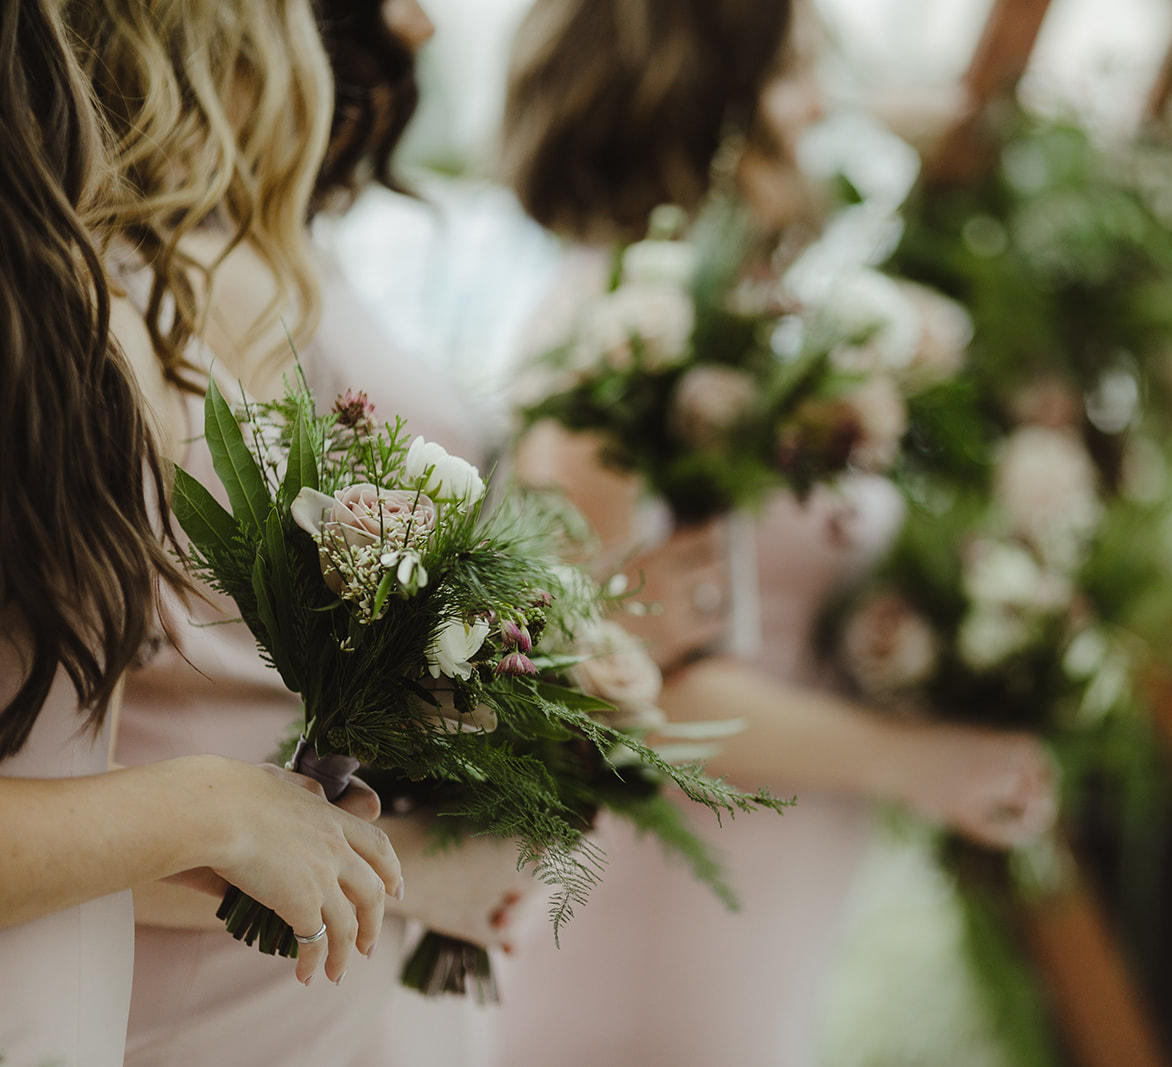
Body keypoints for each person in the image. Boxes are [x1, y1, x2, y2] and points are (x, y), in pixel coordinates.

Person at [495, 3, 1058, 1063]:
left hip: (764, 905)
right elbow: (607, 679)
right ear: (691, 98)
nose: (820, 106)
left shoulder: (763, 332)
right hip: (645, 908)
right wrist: (922, 760)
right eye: (792, 72)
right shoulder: (609, 336)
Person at [0, 4, 402, 1064]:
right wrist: (205, 805)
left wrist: (276, 833)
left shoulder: (72, 307)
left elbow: (64, 766)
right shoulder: (92, 321)